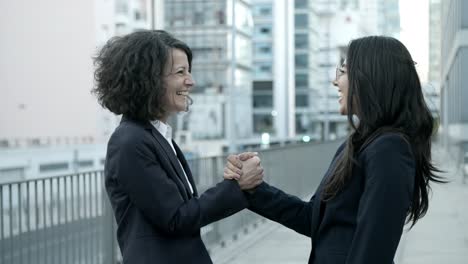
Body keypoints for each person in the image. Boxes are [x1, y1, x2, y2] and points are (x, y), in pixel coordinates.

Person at [224, 36, 444, 264]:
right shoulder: (358, 144)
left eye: (343, 70)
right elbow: (314, 219)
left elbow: (373, 252)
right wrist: (253, 189)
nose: (335, 81)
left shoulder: (389, 150)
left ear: (370, 77)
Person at [92, 30, 263, 264]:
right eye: (180, 72)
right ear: (148, 79)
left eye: (189, 71)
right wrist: (236, 186)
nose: (191, 81)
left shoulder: (157, 137)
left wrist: (234, 183)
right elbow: (177, 217)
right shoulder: (129, 142)